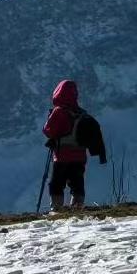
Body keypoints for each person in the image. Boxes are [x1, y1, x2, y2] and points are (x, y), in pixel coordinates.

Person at [42, 79, 106, 210]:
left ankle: (57, 208)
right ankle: (77, 207)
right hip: (80, 156)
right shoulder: (81, 113)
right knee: (77, 183)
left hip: (62, 156)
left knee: (57, 183)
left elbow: (48, 131)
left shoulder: (59, 111)